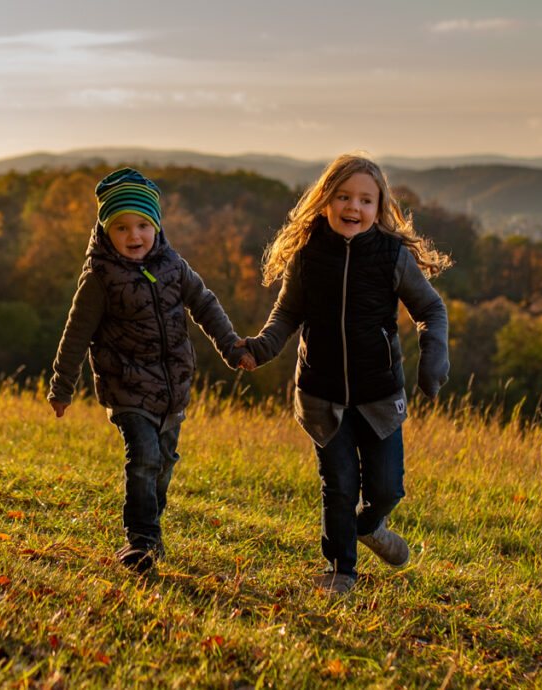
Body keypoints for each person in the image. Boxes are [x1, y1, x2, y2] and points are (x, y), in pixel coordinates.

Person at [240, 153, 451, 595]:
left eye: (365, 200)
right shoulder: (308, 255)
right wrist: (259, 349)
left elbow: (430, 308)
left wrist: (433, 359)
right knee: (337, 485)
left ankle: (370, 525)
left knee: (387, 489)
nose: (353, 207)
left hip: (378, 395)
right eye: (343, 196)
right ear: (324, 201)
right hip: (321, 394)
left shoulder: (390, 255)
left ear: (379, 208)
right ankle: (341, 571)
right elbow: (286, 314)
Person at [48, 167, 252, 573]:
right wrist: (62, 385)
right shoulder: (99, 278)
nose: (134, 236)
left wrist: (231, 346)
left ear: (157, 226)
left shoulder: (175, 266)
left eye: (143, 225)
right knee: (143, 457)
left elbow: (205, 305)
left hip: (172, 387)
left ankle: (150, 524)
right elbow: (76, 333)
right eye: (121, 227)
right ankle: (140, 540)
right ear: (106, 231)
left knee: (164, 461)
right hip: (125, 387)